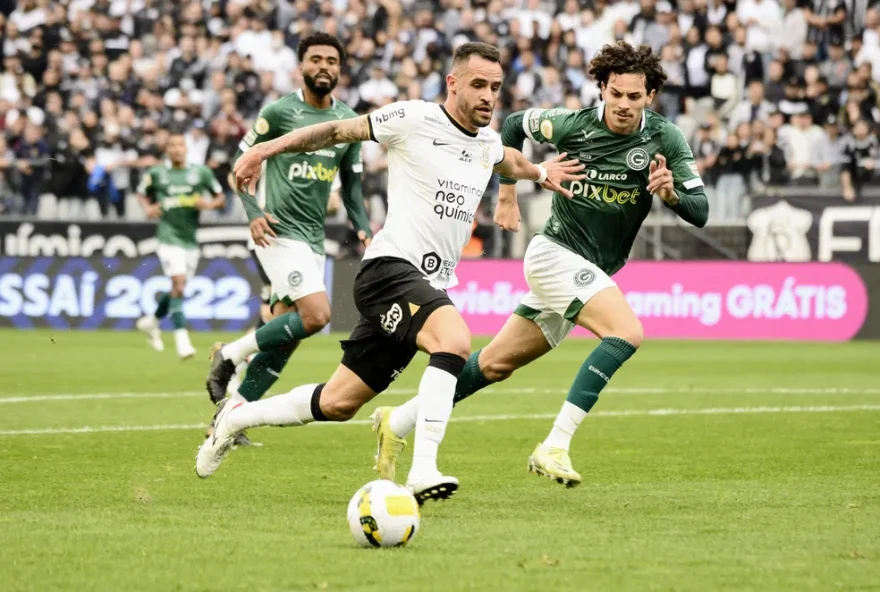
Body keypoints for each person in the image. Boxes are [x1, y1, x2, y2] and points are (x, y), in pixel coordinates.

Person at [196, 42, 584, 504]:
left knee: (339, 403)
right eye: (478, 85)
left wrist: (539, 172)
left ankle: (235, 418)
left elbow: (510, 161)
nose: (488, 96)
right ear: (453, 83)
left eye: (495, 88)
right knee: (455, 341)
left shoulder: (486, 143)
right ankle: (423, 470)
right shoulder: (413, 118)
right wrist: (267, 148)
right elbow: (338, 130)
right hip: (388, 270)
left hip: (426, 284)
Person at [373, 41, 710, 488]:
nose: (624, 105)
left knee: (493, 364)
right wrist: (508, 194)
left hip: (591, 269)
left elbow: (699, 210)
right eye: (615, 94)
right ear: (602, 90)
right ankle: (556, 444)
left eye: (634, 96)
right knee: (626, 332)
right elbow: (511, 126)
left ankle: (396, 422)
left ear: (650, 96)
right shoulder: (572, 125)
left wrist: (669, 195)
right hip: (554, 255)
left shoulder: (665, 138)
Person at [204, 33, 372, 435]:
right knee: (317, 315)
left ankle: (229, 419)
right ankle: (229, 354)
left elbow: (351, 186)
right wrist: (253, 213)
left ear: (340, 69)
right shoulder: (279, 112)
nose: (324, 67)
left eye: (332, 60)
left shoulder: (347, 121)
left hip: (313, 239)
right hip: (277, 231)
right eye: (316, 59)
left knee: (284, 336)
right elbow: (240, 165)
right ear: (301, 67)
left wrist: (365, 229)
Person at [135, 132, 226, 359]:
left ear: (186, 149)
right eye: (171, 145)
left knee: (178, 288)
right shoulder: (156, 173)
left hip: (190, 240)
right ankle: (182, 341)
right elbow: (141, 194)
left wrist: (208, 204)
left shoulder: (200, 173)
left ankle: (152, 322)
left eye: (180, 145)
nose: (176, 149)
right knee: (178, 282)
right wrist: (148, 208)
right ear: (166, 150)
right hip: (167, 236)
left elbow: (220, 197)